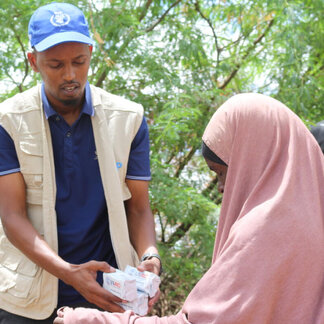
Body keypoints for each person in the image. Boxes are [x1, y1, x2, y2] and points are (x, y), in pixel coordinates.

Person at [54, 93, 324, 324]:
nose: (220, 188)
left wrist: (87, 319)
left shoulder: (263, 231)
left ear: (253, 162)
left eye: (221, 173)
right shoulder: (311, 217)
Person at [0, 2, 161, 323]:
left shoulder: (128, 119)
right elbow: (11, 215)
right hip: (28, 299)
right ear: (33, 61)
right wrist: (69, 273)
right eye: (55, 65)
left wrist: (150, 257)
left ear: (91, 53)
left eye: (79, 62)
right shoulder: (9, 121)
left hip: (107, 295)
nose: (70, 75)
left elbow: (139, 207)